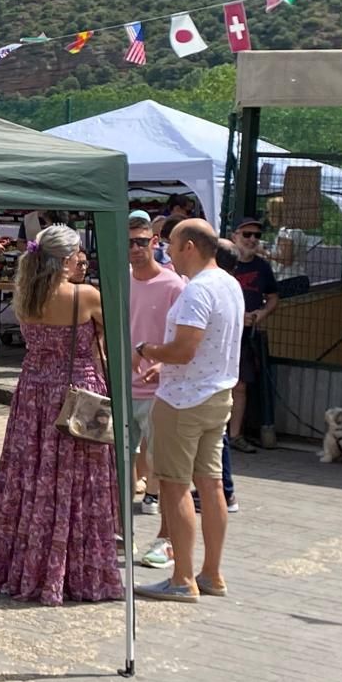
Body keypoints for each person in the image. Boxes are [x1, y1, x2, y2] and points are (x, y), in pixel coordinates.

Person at [0, 225, 121, 603]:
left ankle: (24, 564)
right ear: (67, 259)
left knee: (31, 475)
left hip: (34, 392)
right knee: (81, 479)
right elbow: (118, 335)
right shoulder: (84, 296)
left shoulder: (26, 295)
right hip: (77, 390)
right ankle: (76, 572)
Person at [133, 219, 243, 602]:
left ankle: (182, 578)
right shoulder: (229, 283)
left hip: (184, 400)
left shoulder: (197, 290)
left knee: (175, 487)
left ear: (190, 247)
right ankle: (211, 573)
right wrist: (168, 361)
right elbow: (206, 344)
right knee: (211, 485)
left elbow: (184, 348)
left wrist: (149, 350)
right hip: (217, 393)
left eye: (173, 244)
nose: (168, 251)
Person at [126, 213, 184, 526]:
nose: (135, 248)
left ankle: (154, 496)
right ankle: (120, 514)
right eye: (129, 243)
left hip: (159, 385)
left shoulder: (174, 284)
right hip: (123, 384)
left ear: (154, 242)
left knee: (157, 455)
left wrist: (164, 362)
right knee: (120, 456)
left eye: (141, 242)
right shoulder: (120, 279)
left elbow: (184, 336)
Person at [226, 216, 279, 453]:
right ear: (234, 236)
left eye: (256, 236)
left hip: (246, 336)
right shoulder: (223, 263)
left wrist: (260, 314)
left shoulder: (262, 267)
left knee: (240, 386)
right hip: (221, 334)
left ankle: (235, 435)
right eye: (246, 234)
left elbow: (273, 297)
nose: (252, 239)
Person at [264, 197, 306, 281]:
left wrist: (263, 251)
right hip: (298, 277)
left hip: (289, 279)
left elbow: (286, 260)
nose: (268, 216)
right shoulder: (296, 231)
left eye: (269, 212)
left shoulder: (286, 232)